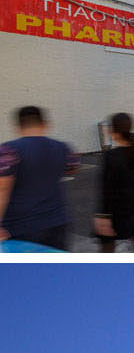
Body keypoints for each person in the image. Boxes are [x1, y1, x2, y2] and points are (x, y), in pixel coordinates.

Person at [0, 105, 77, 250]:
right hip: (58, 223)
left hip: (20, 228)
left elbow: (2, 189)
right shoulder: (63, 148)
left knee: (24, 271)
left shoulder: (8, 151)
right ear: (45, 124)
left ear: (18, 127)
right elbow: (72, 168)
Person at [94, 113, 134, 253]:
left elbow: (107, 191)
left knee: (107, 249)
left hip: (115, 214)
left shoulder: (111, 156)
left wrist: (103, 217)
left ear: (113, 131)